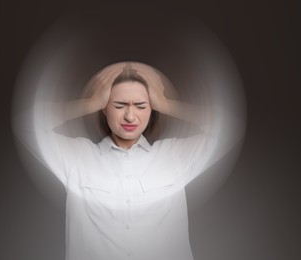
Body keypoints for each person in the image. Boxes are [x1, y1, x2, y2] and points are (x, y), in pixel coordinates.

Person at [16, 62, 236, 260]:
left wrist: (167, 104)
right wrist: (89, 102)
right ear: (104, 107)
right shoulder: (77, 156)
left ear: (152, 109)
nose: (130, 117)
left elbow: (228, 124)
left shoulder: (174, 155)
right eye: (120, 106)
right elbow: (26, 123)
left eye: (141, 106)